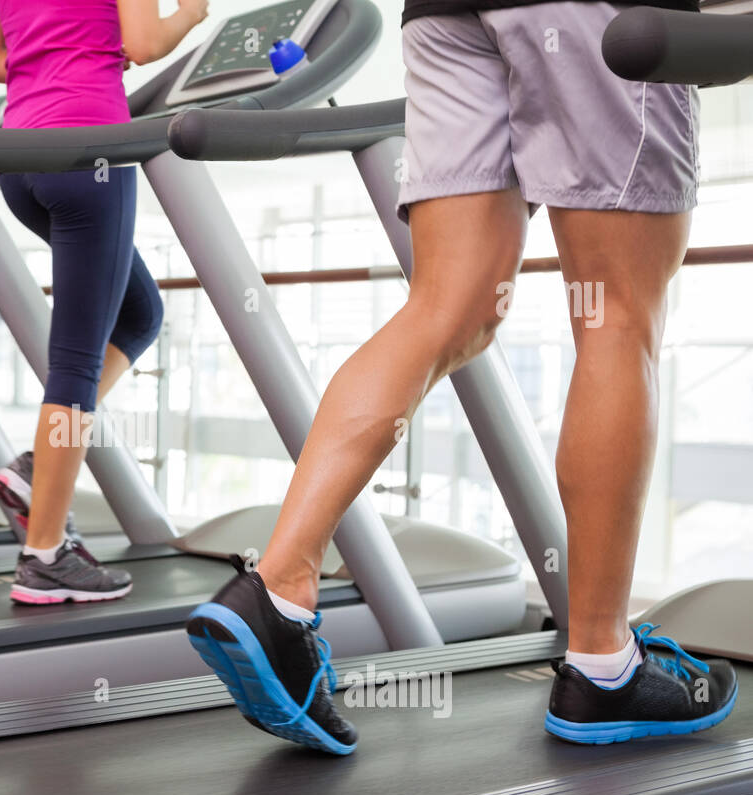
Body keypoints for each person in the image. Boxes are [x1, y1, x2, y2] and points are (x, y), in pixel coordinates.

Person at [187, 1, 737, 752]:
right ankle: (605, 665)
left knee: (449, 307)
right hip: (593, 11)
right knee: (616, 319)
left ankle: (278, 589)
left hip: (447, 11)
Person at [0, 0, 208, 604]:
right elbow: (147, 44)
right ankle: (45, 555)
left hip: (18, 158)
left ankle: (34, 469)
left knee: (139, 313)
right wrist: (194, 14)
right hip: (89, 149)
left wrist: (52, 60)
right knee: (75, 363)